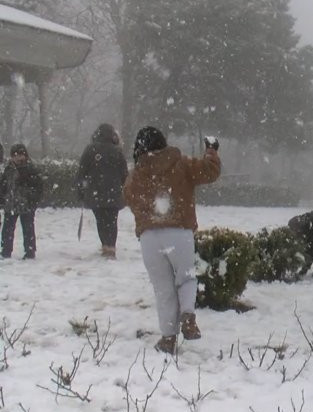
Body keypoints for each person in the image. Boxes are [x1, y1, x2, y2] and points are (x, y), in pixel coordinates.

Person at [124, 127, 221, 354]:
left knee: (163, 289)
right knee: (186, 278)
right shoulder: (181, 163)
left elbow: (128, 196)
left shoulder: (136, 174)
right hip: (179, 232)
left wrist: (148, 213)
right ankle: (188, 315)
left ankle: (168, 338)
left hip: (149, 236)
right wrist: (211, 151)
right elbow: (209, 171)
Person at [75, 123, 129, 258]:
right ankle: (111, 247)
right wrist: (125, 189)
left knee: (101, 220)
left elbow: (82, 172)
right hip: (114, 193)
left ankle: (105, 245)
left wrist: (81, 190)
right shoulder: (117, 151)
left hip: (96, 193)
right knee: (112, 221)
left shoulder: (90, 150)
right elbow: (124, 174)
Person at [0, 144, 43, 259]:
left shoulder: (30, 169)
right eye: (15, 155)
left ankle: (30, 251)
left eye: (21, 155)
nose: (18, 158)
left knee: (28, 228)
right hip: (11, 203)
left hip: (26, 204)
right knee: (7, 229)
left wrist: (32, 199)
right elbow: (3, 185)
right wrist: (2, 198)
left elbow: (38, 187)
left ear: (25, 155)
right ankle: (5, 250)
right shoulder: (8, 169)